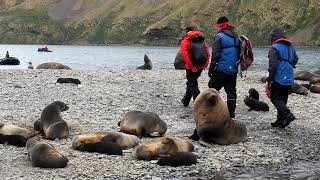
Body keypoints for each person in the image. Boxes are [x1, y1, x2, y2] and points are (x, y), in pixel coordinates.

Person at [208, 16, 240, 118]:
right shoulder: (236, 36)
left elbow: (215, 55)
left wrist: (211, 69)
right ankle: (231, 113)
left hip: (221, 69)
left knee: (212, 90)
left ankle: (211, 111)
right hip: (233, 70)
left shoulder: (220, 36)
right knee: (231, 92)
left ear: (220, 26)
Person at [267, 26, 298, 128]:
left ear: (274, 37)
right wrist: (289, 65)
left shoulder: (274, 48)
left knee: (274, 97)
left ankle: (287, 114)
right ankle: (281, 120)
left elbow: (273, 65)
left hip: (279, 77)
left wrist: (270, 78)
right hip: (289, 77)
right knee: (283, 99)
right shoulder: (291, 47)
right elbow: (295, 60)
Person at [180, 26, 210, 107]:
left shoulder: (186, 40)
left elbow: (184, 54)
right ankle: (185, 101)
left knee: (193, 84)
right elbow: (207, 52)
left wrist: (191, 66)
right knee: (191, 82)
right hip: (200, 66)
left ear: (187, 32)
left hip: (191, 67)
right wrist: (205, 64)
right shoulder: (201, 39)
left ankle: (199, 103)